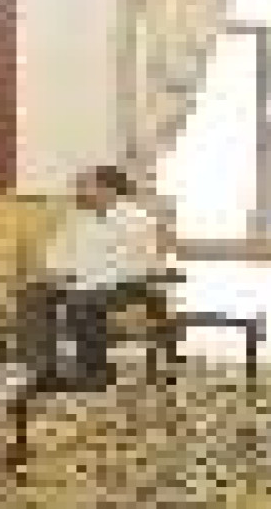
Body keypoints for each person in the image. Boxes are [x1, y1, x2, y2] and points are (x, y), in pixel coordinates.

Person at [21, 165, 166, 392]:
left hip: (128, 284)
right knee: (35, 297)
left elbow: (135, 264)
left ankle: (96, 372)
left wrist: (78, 279)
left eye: (85, 186)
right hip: (83, 280)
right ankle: (49, 369)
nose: (78, 191)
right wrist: (53, 273)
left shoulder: (137, 220)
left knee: (83, 302)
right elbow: (58, 251)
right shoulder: (80, 218)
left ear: (108, 189)